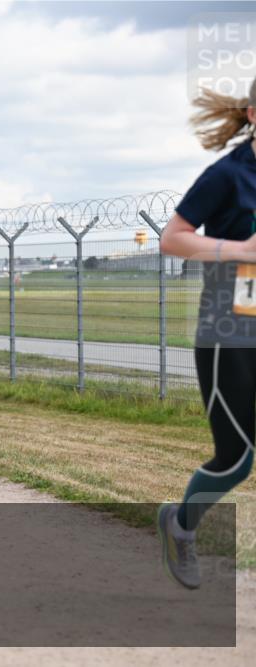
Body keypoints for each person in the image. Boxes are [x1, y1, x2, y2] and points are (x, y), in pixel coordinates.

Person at [157, 79, 256, 589]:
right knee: (237, 459)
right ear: (253, 113)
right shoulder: (228, 176)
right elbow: (172, 239)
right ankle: (182, 524)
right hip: (230, 334)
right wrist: (241, 252)